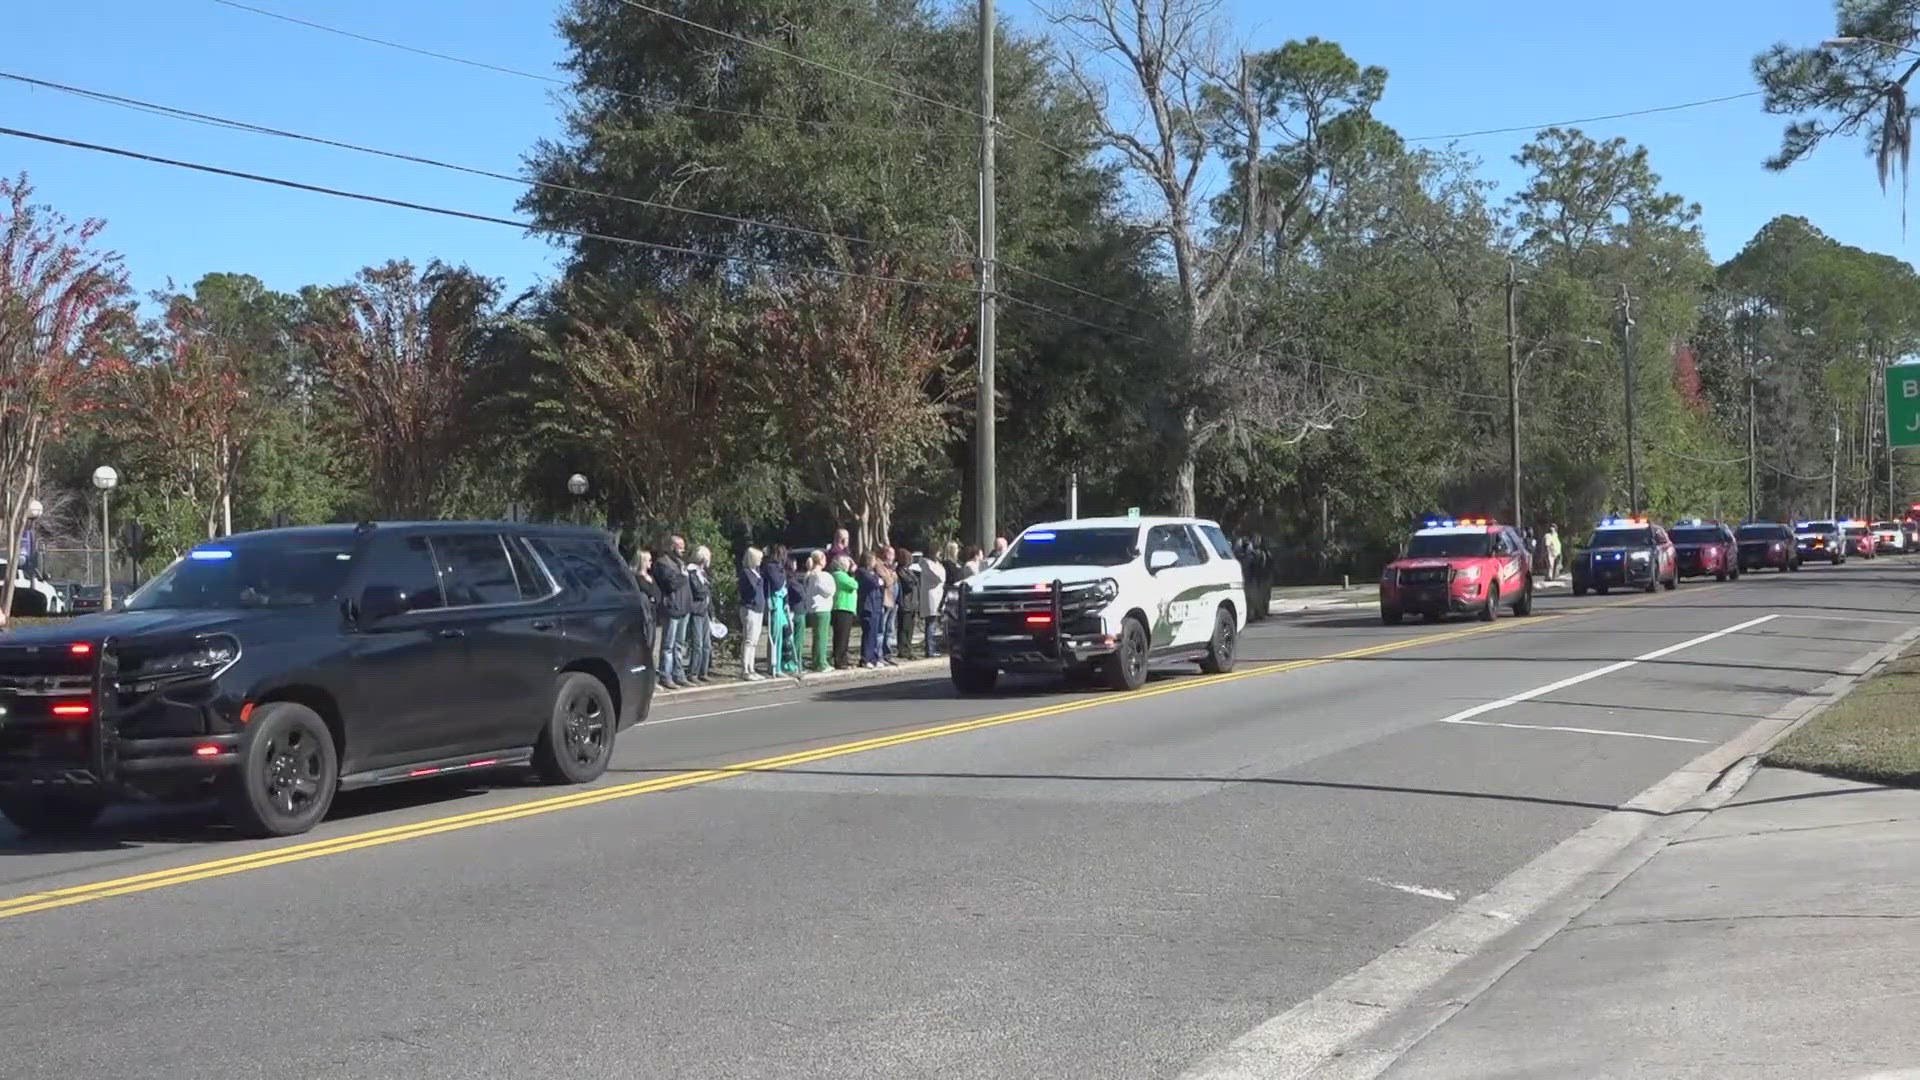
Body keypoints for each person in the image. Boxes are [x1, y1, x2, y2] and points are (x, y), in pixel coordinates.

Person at [651, 535, 690, 690]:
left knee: (679, 645)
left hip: (683, 608)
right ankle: (665, 676)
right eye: (680, 546)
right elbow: (671, 584)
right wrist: (683, 575)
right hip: (671, 608)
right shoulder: (662, 563)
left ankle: (678, 674)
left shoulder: (681, 563)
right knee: (668, 645)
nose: (683, 549)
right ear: (672, 546)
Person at [763, 544, 791, 680]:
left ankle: (779, 664)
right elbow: (777, 584)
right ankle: (773, 666)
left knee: (781, 634)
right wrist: (782, 572)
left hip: (780, 603)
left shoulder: (778, 568)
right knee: (774, 636)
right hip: (773, 603)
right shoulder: (771, 568)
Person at [738, 547, 766, 681]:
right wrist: (759, 580)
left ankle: (752, 667)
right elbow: (752, 589)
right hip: (750, 608)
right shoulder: (746, 573)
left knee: (755, 640)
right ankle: (745, 669)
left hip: (759, 609)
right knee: (748, 640)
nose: (761, 560)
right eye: (759, 558)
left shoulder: (757, 572)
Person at [687, 545, 713, 683]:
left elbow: (709, 593)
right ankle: (693, 673)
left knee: (707, 644)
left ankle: (704, 671)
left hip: (705, 611)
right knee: (698, 644)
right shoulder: (692, 572)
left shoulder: (703, 573)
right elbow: (698, 591)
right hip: (697, 611)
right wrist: (706, 587)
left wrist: (712, 613)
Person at [855, 551, 886, 668]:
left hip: (876, 605)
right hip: (868, 606)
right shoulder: (862, 572)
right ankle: (865, 658)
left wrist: (879, 580)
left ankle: (874, 657)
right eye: (873, 560)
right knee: (868, 633)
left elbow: (882, 583)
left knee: (874, 633)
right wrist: (878, 581)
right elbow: (874, 583)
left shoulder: (873, 573)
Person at [806, 551, 835, 673]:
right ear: (821, 559)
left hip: (813, 608)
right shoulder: (820, 575)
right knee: (822, 637)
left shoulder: (809, 575)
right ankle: (821, 663)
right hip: (822, 608)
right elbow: (827, 591)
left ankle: (816, 660)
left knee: (817, 636)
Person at [914, 549, 946, 656]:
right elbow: (938, 577)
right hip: (931, 596)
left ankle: (933, 647)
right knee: (930, 622)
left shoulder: (936, 564)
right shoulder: (927, 564)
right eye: (937, 551)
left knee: (934, 623)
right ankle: (930, 649)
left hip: (938, 595)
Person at [830, 554, 859, 669]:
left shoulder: (843, 575)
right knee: (841, 637)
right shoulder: (840, 575)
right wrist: (852, 573)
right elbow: (854, 584)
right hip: (842, 607)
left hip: (847, 608)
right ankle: (839, 660)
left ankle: (843, 659)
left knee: (844, 636)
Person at [877, 546, 900, 666]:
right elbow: (888, 581)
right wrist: (892, 573)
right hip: (885, 602)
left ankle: (888, 655)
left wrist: (892, 572)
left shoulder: (890, 568)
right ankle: (879, 655)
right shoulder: (879, 565)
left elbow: (895, 579)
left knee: (890, 630)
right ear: (885, 554)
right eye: (891, 554)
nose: (893, 557)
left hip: (893, 602)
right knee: (881, 629)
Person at [897, 551, 921, 660]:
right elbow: (909, 584)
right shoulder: (900, 571)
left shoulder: (909, 571)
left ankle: (908, 648)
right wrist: (914, 580)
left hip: (913, 603)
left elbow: (916, 580)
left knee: (910, 628)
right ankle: (903, 650)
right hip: (905, 603)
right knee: (904, 628)